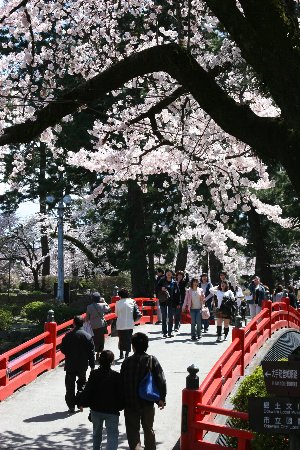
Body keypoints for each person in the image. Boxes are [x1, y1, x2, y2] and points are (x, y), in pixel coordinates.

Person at [120, 332, 166, 450]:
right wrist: (161, 398)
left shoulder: (127, 362)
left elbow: (121, 382)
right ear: (147, 345)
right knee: (148, 429)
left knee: (132, 431)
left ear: (133, 346)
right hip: (147, 402)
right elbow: (160, 379)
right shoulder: (151, 360)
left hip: (130, 403)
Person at [78, 350, 124, 450]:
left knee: (96, 434)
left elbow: (88, 390)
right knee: (112, 435)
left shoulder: (94, 374)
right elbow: (121, 394)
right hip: (112, 410)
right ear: (112, 361)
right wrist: (121, 406)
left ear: (99, 360)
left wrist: (81, 403)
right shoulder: (117, 376)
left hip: (96, 409)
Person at [60, 315, 95, 413]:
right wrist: (92, 365)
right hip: (82, 364)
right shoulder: (88, 336)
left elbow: (63, 349)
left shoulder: (68, 336)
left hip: (70, 364)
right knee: (82, 384)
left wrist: (69, 354)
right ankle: (80, 404)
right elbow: (91, 352)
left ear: (73, 323)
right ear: (83, 323)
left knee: (70, 386)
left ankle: (71, 406)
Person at [115, 288, 140, 359]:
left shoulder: (118, 303)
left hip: (120, 324)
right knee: (129, 339)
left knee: (121, 339)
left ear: (120, 295)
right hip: (130, 323)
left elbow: (116, 314)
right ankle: (127, 354)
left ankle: (121, 353)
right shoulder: (132, 301)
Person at [156, 269, 181, 338]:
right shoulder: (162, 280)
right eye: (167, 273)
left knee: (170, 317)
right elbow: (156, 288)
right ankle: (164, 332)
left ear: (172, 274)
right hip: (163, 301)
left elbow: (178, 293)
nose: (169, 274)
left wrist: (178, 302)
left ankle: (170, 332)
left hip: (171, 302)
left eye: (170, 273)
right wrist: (161, 288)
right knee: (164, 317)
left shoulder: (174, 282)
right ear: (166, 274)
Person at [86, 292, 111, 359]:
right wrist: (104, 301)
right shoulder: (102, 305)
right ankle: (99, 353)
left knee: (94, 339)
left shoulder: (89, 307)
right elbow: (108, 308)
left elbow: (87, 318)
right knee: (101, 340)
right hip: (101, 325)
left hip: (93, 325)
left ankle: (93, 352)